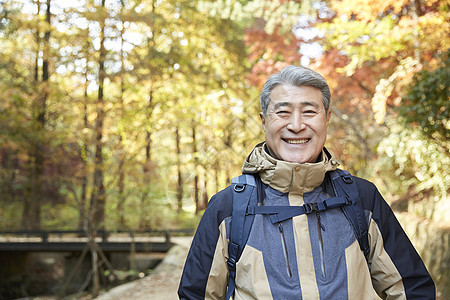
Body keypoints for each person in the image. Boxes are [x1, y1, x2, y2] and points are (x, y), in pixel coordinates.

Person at [178, 65, 435, 299]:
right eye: (283, 112)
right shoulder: (229, 206)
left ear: (327, 117)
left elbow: (411, 290)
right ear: (264, 120)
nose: (297, 125)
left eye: (309, 112)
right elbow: (196, 295)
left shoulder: (361, 197)